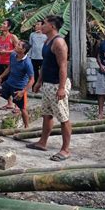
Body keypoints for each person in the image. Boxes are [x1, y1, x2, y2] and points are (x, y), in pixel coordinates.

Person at [29, 15, 72, 162]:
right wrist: (39, 81)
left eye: (45, 23)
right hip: (47, 84)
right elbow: (45, 64)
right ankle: (42, 142)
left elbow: (63, 66)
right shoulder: (47, 41)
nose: (42, 25)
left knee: (63, 117)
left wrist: (61, 88)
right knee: (47, 114)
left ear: (52, 26)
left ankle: (65, 149)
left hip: (56, 85)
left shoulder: (59, 43)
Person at [0, 40, 35, 128]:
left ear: (23, 50)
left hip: (19, 87)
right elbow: (9, 68)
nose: (16, 45)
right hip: (8, 83)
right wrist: (1, 77)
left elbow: (32, 80)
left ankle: (27, 127)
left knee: (23, 109)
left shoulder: (27, 63)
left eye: (19, 45)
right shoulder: (13, 55)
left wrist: (23, 91)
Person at [0, 19, 19, 110]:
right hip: (2, 63)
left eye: (4, 23)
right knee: (4, 83)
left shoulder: (12, 37)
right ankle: (9, 103)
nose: (2, 25)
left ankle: (17, 105)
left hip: (11, 64)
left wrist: (7, 51)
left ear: (9, 27)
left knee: (13, 84)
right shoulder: (0, 38)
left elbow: (19, 49)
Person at [28, 20, 47, 89]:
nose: (36, 26)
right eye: (36, 24)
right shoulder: (32, 34)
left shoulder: (45, 34)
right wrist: (29, 56)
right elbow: (30, 45)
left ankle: (43, 87)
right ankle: (34, 87)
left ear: (42, 25)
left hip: (43, 57)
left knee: (44, 72)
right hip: (34, 57)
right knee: (34, 72)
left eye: (38, 24)